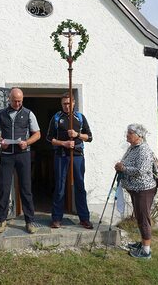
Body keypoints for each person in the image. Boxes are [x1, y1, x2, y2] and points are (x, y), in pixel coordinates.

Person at [0, 88, 41, 234]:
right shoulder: (0, 113)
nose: (17, 103)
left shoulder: (29, 113)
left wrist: (27, 142)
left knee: (26, 188)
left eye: (20, 101)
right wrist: (0, 140)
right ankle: (1, 220)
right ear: (9, 99)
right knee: (4, 188)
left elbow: (37, 134)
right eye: (15, 101)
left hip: (23, 154)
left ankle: (30, 221)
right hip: (6, 154)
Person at [46, 92, 93, 229]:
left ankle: (84, 218)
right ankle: (56, 218)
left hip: (77, 155)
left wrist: (77, 134)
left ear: (73, 103)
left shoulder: (80, 117)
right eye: (64, 104)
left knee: (79, 186)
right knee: (60, 187)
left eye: (68, 103)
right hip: (61, 155)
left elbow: (89, 137)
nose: (66, 106)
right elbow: (49, 139)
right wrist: (64, 143)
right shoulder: (56, 118)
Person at [115, 123, 157, 259]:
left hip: (144, 189)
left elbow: (141, 170)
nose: (127, 135)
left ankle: (146, 251)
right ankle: (143, 243)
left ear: (139, 136)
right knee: (139, 217)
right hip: (136, 189)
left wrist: (123, 169)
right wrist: (121, 165)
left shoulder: (143, 150)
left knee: (143, 218)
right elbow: (128, 163)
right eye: (127, 133)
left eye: (129, 133)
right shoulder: (133, 148)